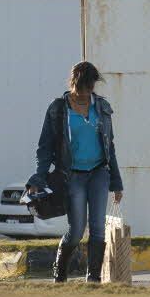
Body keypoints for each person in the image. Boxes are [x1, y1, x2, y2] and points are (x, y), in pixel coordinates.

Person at [28, 61, 124, 283]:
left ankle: (93, 279)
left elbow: (110, 147)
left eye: (90, 88)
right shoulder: (58, 109)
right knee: (78, 229)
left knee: (98, 227)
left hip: (99, 173)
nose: (86, 94)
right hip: (73, 176)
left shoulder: (101, 107)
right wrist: (39, 177)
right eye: (82, 88)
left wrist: (116, 183)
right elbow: (45, 147)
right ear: (74, 84)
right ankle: (59, 273)